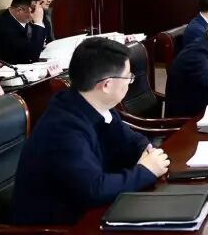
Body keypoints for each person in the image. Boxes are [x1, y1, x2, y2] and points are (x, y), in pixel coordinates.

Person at [11, 37, 170, 225]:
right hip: (58, 225)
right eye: (128, 77)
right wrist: (146, 171)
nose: (130, 82)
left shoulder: (94, 104)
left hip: (87, 209)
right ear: (107, 85)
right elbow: (94, 189)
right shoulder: (62, 129)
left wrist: (147, 151)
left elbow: (130, 140)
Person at [0, 0, 48, 64]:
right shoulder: (4, 28)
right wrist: (38, 22)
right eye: (34, 9)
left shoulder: (23, 18)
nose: (37, 12)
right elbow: (31, 56)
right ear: (19, 10)